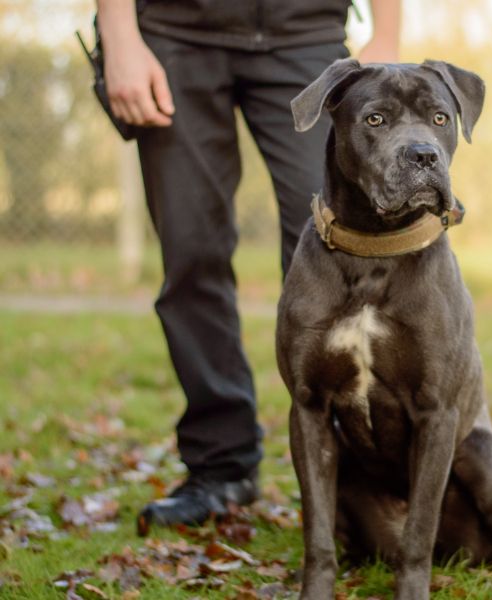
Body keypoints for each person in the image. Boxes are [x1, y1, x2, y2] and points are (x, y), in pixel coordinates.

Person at [94, 0, 401, 531]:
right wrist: (118, 35)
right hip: (175, 34)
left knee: (343, 249)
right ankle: (221, 468)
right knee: (192, 254)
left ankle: (360, 470)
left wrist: (389, 35)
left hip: (304, 33)